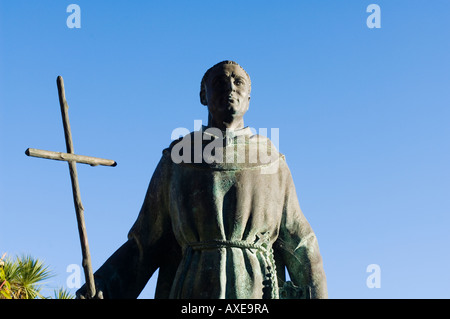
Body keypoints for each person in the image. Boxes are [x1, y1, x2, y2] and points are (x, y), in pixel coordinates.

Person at [76, 60, 327, 299]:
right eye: (219, 82)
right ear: (203, 96)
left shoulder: (271, 161)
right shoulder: (178, 159)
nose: (230, 87)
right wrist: (104, 284)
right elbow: (145, 242)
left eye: (238, 82)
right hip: (193, 288)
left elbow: (299, 240)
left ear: (249, 100)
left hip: (255, 289)